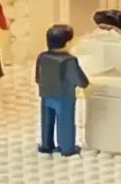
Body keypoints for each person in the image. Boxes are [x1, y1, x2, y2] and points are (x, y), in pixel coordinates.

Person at [34, 24, 87, 157]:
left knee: (47, 121)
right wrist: (84, 84)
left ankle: (46, 145)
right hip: (64, 96)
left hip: (46, 94)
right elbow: (77, 78)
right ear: (67, 42)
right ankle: (67, 147)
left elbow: (38, 75)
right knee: (65, 121)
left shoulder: (42, 56)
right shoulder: (69, 60)